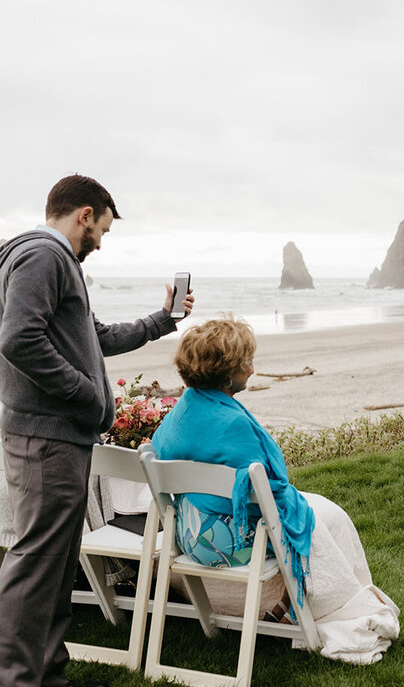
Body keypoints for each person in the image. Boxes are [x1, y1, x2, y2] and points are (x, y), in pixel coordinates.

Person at [0, 175, 194, 687]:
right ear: (84, 214)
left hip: (55, 435)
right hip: (47, 435)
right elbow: (18, 338)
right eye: (102, 230)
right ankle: (20, 677)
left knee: (57, 565)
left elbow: (97, 336)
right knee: (36, 563)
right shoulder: (45, 256)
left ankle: (48, 673)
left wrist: (163, 320)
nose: (101, 243)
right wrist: (87, 394)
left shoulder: (48, 262)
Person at [152, 317, 399, 664]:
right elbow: (267, 493)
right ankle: (341, 609)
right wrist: (294, 507)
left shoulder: (182, 410)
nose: (252, 369)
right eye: (245, 363)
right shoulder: (232, 424)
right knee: (329, 516)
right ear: (226, 374)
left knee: (324, 511)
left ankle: (312, 606)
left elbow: (161, 452)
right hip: (229, 542)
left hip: (191, 534)